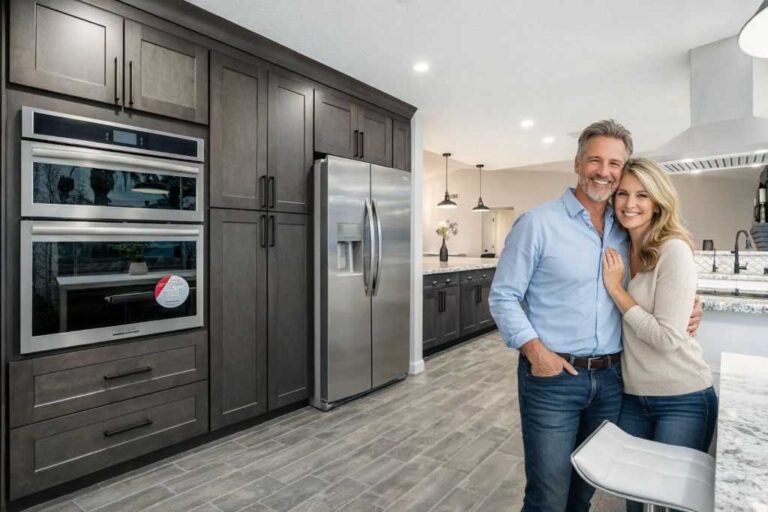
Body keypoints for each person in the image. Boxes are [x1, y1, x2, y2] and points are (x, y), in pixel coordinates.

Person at [488, 119, 702, 512]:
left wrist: (691, 303)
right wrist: (537, 352)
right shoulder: (538, 224)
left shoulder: (627, 228)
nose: (604, 172)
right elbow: (503, 297)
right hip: (554, 378)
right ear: (577, 162)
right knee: (548, 494)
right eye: (595, 160)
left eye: (614, 164)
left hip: (612, 380)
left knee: (584, 491)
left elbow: (657, 277)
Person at [601, 158, 717, 512]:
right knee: (635, 502)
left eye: (642, 195)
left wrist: (618, 292)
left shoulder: (673, 250)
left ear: (657, 203)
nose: (630, 204)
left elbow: (667, 338)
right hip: (633, 397)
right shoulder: (618, 246)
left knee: (668, 505)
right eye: (622, 194)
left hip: (683, 398)